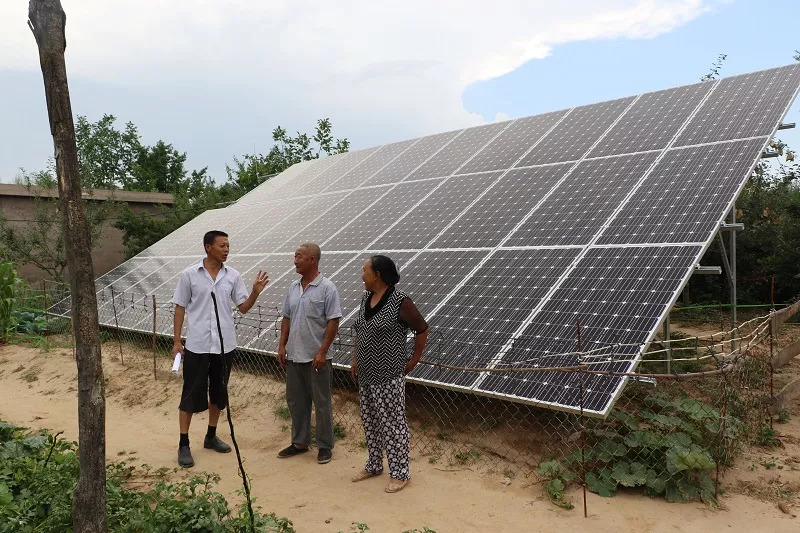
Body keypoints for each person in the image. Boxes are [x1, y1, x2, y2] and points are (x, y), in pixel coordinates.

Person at [172, 230, 269, 468]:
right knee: (191, 393)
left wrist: (255, 292)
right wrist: (176, 341)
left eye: (228, 245)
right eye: (222, 245)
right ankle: (183, 443)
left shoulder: (233, 276)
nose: (226, 249)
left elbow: (243, 307)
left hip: (224, 346)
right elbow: (180, 307)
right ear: (208, 247)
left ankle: (211, 435)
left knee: (218, 393)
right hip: (197, 345)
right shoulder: (190, 275)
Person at [350, 255, 429, 493]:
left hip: (388, 375)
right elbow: (360, 331)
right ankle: (374, 465)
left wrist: (413, 360)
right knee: (371, 422)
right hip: (366, 374)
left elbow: (422, 329)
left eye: (365, 271)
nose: (361, 275)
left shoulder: (400, 301)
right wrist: (355, 359)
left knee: (393, 425)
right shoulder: (366, 298)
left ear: (378, 275)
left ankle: (400, 473)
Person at [277, 243, 342, 464]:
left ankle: (324, 446)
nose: (295, 260)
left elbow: (334, 321)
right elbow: (286, 317)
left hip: (317, 357)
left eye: (299, 256)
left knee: (322, 403)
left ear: (312, 260)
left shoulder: (327, 288)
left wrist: (323, 351)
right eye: (295, 256)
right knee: (296, 401)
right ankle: (299, 442)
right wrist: (282, 345)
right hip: (295, 355)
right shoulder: (293, 287)